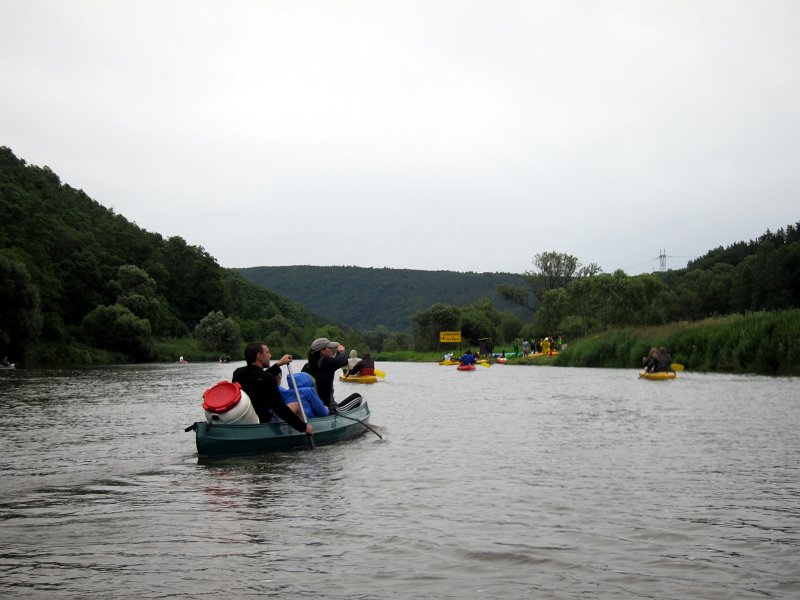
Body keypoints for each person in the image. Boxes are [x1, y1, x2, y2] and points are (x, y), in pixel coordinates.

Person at [232, 341, 313, 435]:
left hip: (244, 419)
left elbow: (258, 376)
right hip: (265, 421)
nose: (270, 355)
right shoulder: (268, 378)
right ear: (259, 356)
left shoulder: (238, 373)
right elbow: (280, 409)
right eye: (267, 352)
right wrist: (303, 427)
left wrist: (279, 363)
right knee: (296, 405)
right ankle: (307, 428)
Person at [302, 337, 348, 410]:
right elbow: (344, 361)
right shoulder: (327, 362)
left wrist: (338, 353)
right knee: (358, 398)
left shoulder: (306, 366)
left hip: (313, 407)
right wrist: (342, 351)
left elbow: (336, 360)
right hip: (329, 407)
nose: (332, 350)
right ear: (322, 351)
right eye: (330, 348)